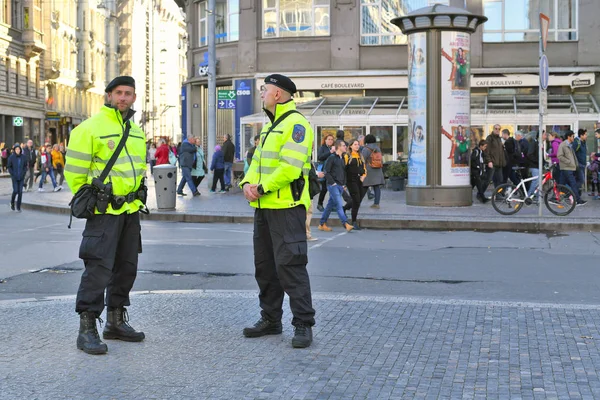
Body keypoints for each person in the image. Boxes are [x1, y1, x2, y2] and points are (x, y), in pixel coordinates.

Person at [64, 76, 148, 355]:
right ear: (109, 95)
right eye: (118, 93)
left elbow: (138, 169)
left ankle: (115, 322)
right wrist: (92, 199)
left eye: (128, 94)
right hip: (103, 211)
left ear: (134, 98)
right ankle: (87, 329)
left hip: (130, 210)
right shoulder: (89, 128)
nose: (123, 98)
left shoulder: (136, 131)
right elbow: (74, 173)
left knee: (126, 268)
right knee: (98, 269)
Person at [240, 74, 315, 348]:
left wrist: (261, 187)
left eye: (265, 89)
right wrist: (246, 183)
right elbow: (256, 162)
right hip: (264, 207)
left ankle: (303, 324)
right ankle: (271, 319)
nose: (261, 93)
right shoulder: (271, 127)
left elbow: (290, 167)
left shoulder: (296, 124)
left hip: (286, 208)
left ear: (278, 95)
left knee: (291, 267)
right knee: (265, 268)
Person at [319, 140, 354, 233]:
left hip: (340, 185)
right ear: (338, 147)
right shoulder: (331, 158)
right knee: (339, 204)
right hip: (333, 185)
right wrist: (332, 182)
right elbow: (326, 171)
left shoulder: (342, 158)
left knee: (330, 205)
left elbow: (343, 172)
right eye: (343, 146)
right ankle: (345, 223)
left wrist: (343, 184)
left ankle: (322, 224)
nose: (345, 147)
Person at [557, 130, 586, 206]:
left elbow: (573, 156)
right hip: (567, 167)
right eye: (573, 136)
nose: (574, 137)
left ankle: (555, 198)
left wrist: (575, 164)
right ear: (568, 137)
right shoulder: (563, 145)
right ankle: (578, 200)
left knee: (561, 184)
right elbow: (559, 156)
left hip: (570, 167)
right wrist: (569, 162)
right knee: (573, 183)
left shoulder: (570, 145)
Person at [344, 139, 367, 229]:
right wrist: (344, 182)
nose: (357, 146)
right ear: (350, 146)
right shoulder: (347, 156)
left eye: (358, 144)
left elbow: (364, 168)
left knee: (357, 199)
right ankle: (353, 221)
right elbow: (344, 169)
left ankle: (344, 208)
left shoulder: (360, 155)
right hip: (351, 180)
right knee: (356, 200)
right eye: (355, 144)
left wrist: (363, 176)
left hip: (359, 180)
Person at [361, 134, 385, 209]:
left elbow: (362, 160)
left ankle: (357, 202)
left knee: (364, 186)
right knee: (376, 186)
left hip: (369, 170)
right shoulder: (378, 148)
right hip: (377, 169)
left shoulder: (366, 148)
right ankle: (376, 203)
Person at [316, 134, 335, 212]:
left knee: (332, 189)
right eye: (329, 139)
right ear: (325, 140)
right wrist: (330, 152)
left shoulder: (334, 148)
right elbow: (320, 157)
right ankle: (319, 204)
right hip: (324, 171)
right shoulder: (322, 148)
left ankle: (331, 206)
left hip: (332, 171)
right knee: (324, 189)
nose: (330, 141)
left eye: (331, 139)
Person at [7, 144, 26, 211]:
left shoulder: (23, 157)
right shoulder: (11, 157)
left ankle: (18, 206)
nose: (18, 150)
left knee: (20, 192)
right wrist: (12, 174)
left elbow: (25, 166)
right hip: (14, 177)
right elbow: (9, 166)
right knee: (15, 191)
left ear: (20, 150)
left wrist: (23, 173)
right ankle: (12, 202)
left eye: (19, 149)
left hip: (21, 177)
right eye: (16, 149)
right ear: (14, 150)